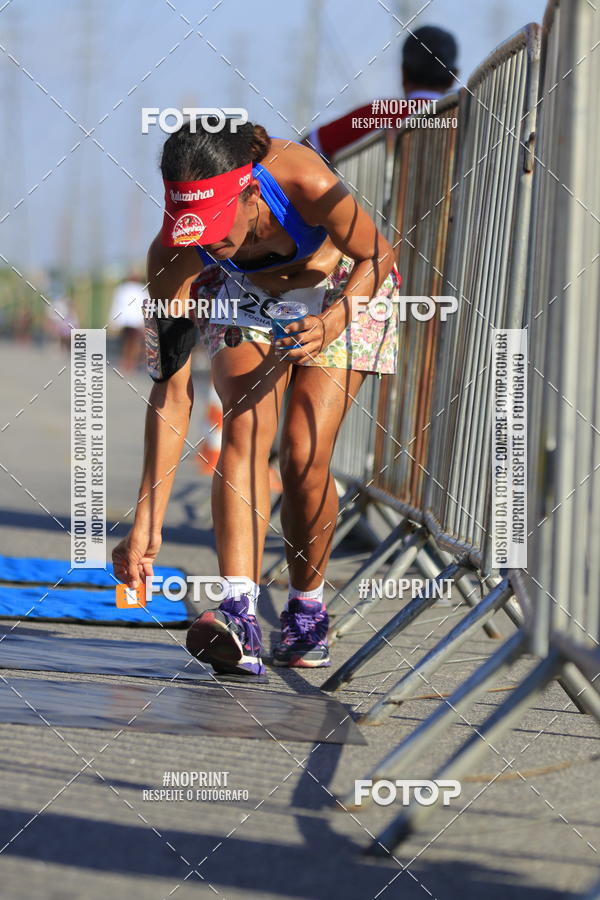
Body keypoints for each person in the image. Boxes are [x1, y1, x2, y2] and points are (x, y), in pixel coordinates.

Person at [112, 119, 400, 675]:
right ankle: (238, 612)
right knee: (243, 427)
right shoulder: (172, 259)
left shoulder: (306, 182)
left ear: (250, 194)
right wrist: (146, 521)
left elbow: (378, 254)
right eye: (193, 232)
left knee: (303, 457)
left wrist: (335, 320)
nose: (207, 243)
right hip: (241, 295)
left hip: (345, 288)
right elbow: (171, 395)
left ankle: (306, 608)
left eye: (216, 228)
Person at [304, 25, 458, 160]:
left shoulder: (379, 112)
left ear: (403, 73)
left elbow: (305, 148)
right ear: (454, 77)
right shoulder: (465, 118)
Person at [108, 274, 148, 371]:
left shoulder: (124, 288)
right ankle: (128, 362)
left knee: (131, 342)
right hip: (131, 320)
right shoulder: (126, 289)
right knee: (131, 342)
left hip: (132, 320)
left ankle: (129, 362)